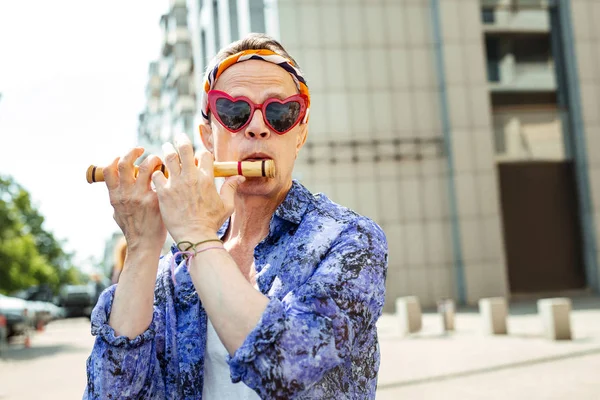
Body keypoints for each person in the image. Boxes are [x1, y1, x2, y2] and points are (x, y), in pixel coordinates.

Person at [84, 33, 388, 399]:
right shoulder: (177, 268)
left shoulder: (348, 240)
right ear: (208, 137)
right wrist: (142, 245)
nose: (257, 127)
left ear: (300, 133)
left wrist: (198, 232)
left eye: (280, 112)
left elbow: (287, 366)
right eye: (234, 111)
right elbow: (111, 394)